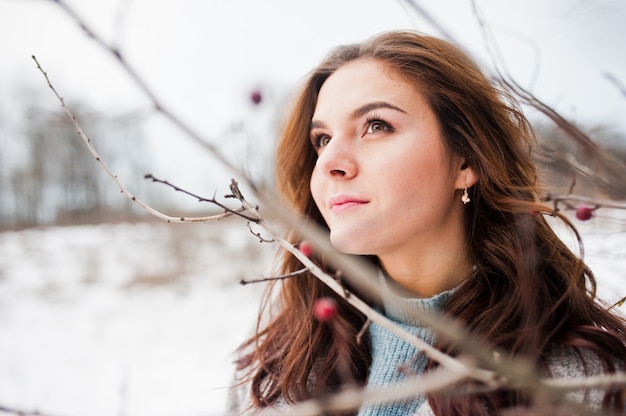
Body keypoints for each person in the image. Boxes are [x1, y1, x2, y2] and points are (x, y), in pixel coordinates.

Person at [229, 30, 626, 415]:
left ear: (466, 161)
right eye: (322, 140)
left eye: (376, 126)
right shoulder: (277, 367)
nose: (330, 162)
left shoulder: (577, 385)